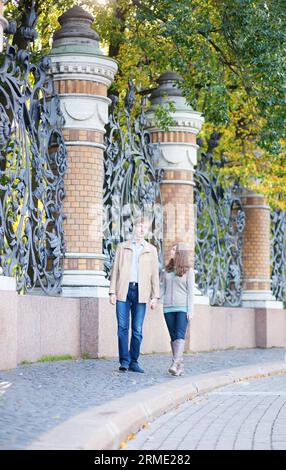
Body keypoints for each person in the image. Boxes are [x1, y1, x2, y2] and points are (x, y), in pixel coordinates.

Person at [109, 216, 160, 373]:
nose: (141, 229)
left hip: (141, 292)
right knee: (122, 328)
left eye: (144, 227)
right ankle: (124, 361)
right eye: (139, 226)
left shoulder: (151, 250)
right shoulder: (122, 247)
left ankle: (134, 361)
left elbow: (154, 275)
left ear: (147, 230)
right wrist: (112, 292)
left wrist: (155, 296)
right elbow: (115, 270)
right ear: (134, 227)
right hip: (123, 291)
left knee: (137, 330)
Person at [160, 242, 195, 376]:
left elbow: (191, 293)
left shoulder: (188, 271)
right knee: (173, 336)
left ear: (180, 253)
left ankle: (175, 363)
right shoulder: (167, 270)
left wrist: (190, 310)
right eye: (172, 249)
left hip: (182, 308)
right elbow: (163, 288)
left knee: (180, 335)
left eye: (174, 250)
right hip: (168, 307)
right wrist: (156, 299)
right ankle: (179, 365)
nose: (172, 251)